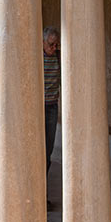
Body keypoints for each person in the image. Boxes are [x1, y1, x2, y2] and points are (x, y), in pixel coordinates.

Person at [42, 27, 60, 208]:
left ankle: (43, 193)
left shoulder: (59, 58)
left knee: (47, 152)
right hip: (38, 107)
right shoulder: (36, 58)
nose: (53, 48)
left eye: (56, 45)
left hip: (52, 107)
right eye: (50, 45)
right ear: (42, 43)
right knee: (37, 153)